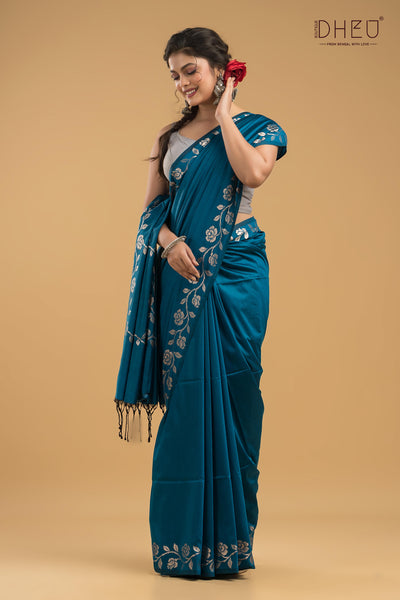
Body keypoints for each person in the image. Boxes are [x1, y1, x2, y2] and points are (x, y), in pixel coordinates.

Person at [113, 27, 287, 578]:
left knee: (239, 394)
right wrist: (169, 244)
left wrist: (226, 113)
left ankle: (231, 545)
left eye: (190, 70)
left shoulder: (259, 128)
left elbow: (253, 173)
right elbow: (150, 214)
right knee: (188, 400)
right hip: (184, 276)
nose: (182, 83)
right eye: (174, 75)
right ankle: (182, 544)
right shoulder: (169, 140)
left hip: (238, 271)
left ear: (221, 69)